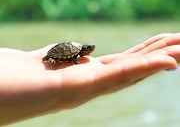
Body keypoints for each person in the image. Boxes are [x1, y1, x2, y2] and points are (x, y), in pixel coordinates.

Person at [0, 33, 180, 126]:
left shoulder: (80, 51)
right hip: (56, 54)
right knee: (53, 59)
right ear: (84, 51)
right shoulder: (77, 54)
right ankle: (52, 59)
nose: (91, 50)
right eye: (89, 49)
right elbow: (72, 56)